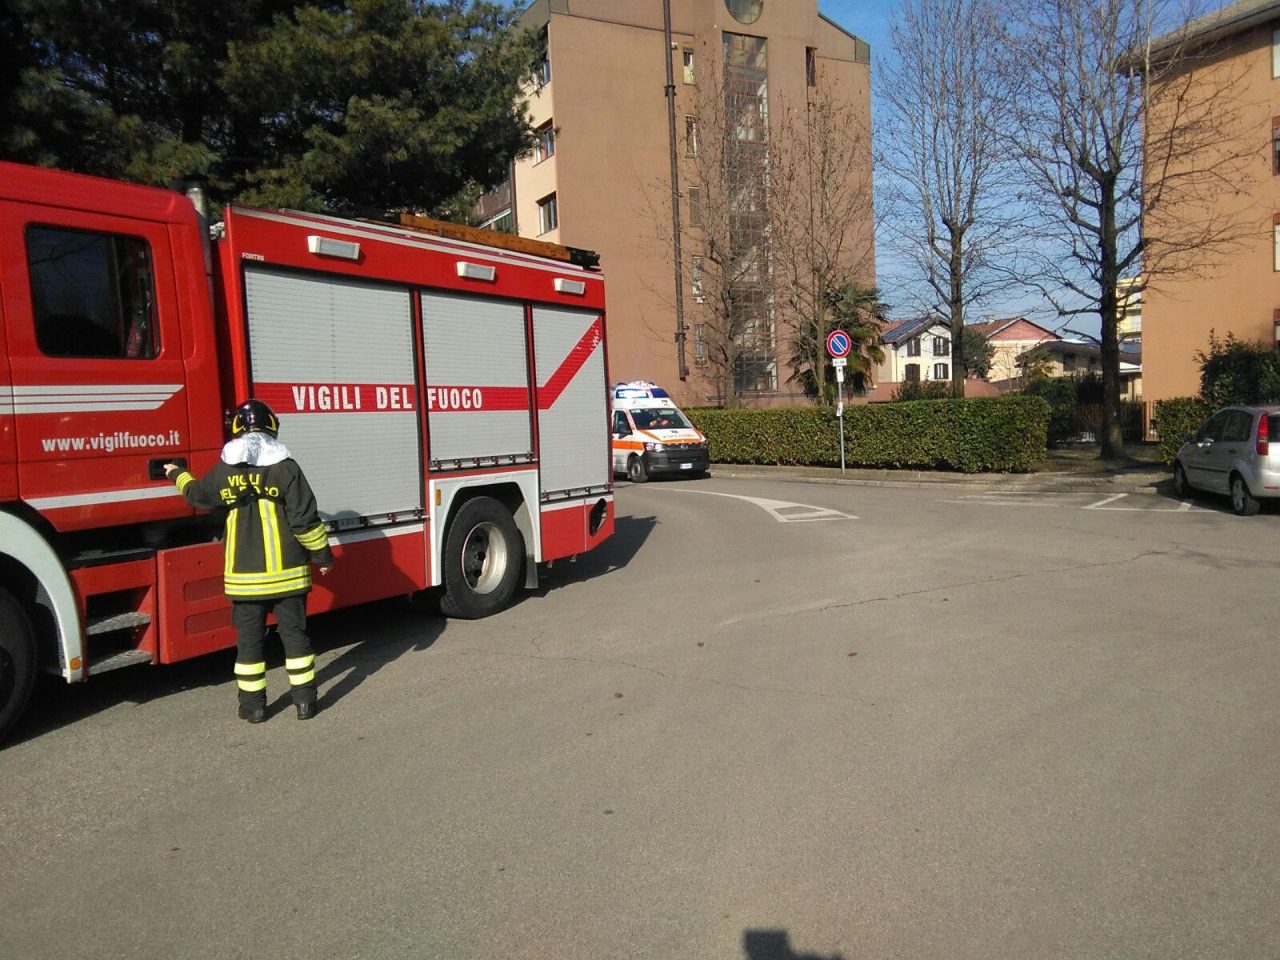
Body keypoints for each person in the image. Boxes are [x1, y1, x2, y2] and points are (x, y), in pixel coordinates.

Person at [165, 399, 333, 723]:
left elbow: (197, 495)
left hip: (244, 579)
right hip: (289, 576)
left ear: (237, 429)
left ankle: (253, 707)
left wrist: (177, 474)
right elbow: (304, 520)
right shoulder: (286, 468)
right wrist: (322, 555)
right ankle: (305, 702)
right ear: (272, 426)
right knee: (295, 638)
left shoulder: (224, 470)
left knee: (249, 645)